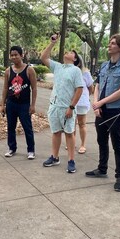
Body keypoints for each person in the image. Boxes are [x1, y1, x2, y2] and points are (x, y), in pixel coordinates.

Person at [85, 34, 120, 192]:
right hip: (101, 109)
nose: (109, 45)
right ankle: (102, 168)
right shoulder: (104, 65)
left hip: (115, 110)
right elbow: (98, 85)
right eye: (110, 43)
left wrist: (101, 102)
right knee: (101, 140)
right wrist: (96, 103)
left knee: (117, 143)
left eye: (113, 43)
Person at [40, 34, 83, 173]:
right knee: (56, 132)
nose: (68, 52)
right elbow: (43, 58)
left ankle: (71, 160)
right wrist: (52, 43)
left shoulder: (76, 70)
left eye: (71, 52)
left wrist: (71, 107)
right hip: (54, 106)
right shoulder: (57, 67)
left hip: (67, 108)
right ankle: (55, 157)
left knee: (69, 134)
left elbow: (79, 89)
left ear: (75, 59)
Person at [0, 46, 37, 159]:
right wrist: (2, 105)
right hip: (11, 103)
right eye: (12, 55)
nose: (14, 57)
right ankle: (11, 148)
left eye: (16, 54)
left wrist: (33, 105)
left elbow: (34, 88)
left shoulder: (29, 70)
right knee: (11, 127)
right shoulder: (8, 71)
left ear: (21, 55)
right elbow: (5, 88)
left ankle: (31, 150)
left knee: (27, 127)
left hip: (24, 104)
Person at [73, 56, 94, 154]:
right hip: (70, 101)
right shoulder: (68, 71)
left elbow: (91, 88)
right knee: (71, 124)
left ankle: (83, 145)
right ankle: (71, 142)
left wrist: (85, 96)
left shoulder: (85, 72)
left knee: (81, 124)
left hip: (81, 102)